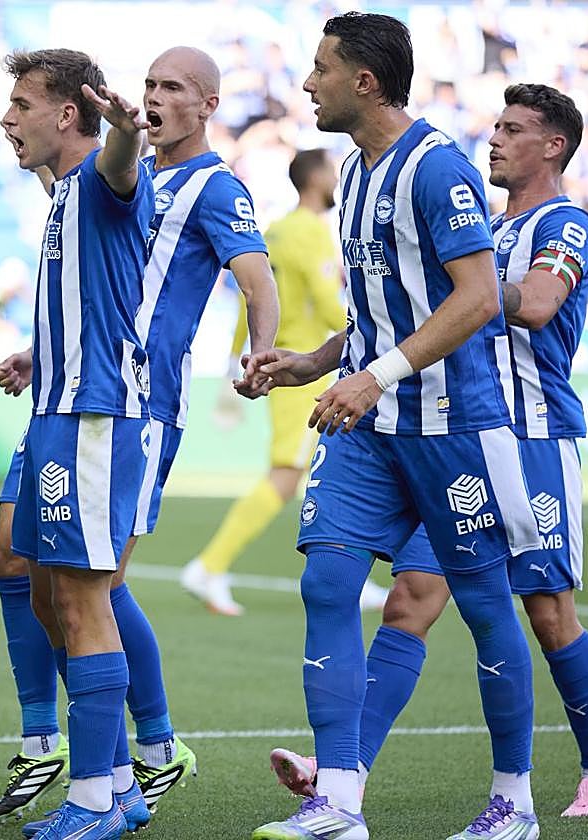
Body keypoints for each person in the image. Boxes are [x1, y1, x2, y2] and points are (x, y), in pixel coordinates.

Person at [269, 84, 588, 833]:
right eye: (494, 126)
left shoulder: (566, 225)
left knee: (547, 611)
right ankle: (343, 775)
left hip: (526, 438)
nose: (494, 140)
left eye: (514, 130)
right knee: (409, 600)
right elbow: (403, 315)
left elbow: (532, 303)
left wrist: (459, 283)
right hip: (446, 433)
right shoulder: (477, 225)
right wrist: (321, 358)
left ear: (553, 145)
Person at [243, 14, 542, 840]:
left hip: (454, 428)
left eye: (320, 68)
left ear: (364, 83)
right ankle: (338, 801)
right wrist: (321, 362)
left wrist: (376, 375)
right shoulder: (353, 170)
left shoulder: (436, 168)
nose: (307, 83)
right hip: (371, 425)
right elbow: (383, 311)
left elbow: (479, 299)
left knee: (485, 609)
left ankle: (515, 804)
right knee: (327, 584)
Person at [0, 45, 281, 827]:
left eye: (171, 86)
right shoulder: (90, 184)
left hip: (126, 402)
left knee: (91, 589)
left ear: (207, 103)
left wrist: (259, 353)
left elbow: (255, 276)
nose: (153, 97)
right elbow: (98, 279)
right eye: (147, 84)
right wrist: (41, 349)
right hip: (67, 389)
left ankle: (131, 761)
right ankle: (105, 763)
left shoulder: (181, 180)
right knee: (24, 564)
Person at [0, 48, 154, 840]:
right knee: (48, 593)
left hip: (96, 417)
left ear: (67, 113)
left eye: (21, 104)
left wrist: (126, 131)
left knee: (86, 601)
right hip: (59, 409)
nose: (6, 119)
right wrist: (40, 354)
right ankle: (120, 781)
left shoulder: (98, 174)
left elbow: (122, 164)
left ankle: (94, 798)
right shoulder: (60, 195)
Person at [181, 147, 389, 616]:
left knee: (339, 471)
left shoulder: (273, 230)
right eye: (333, 173)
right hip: (306, 371)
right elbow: (327, 298)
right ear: (317, 180)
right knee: (286, 476)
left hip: (282, 361)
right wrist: (375, 332)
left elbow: (249, 298)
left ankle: (350, 575)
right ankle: (210, 565)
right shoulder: (310, 231)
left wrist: (242, 355)